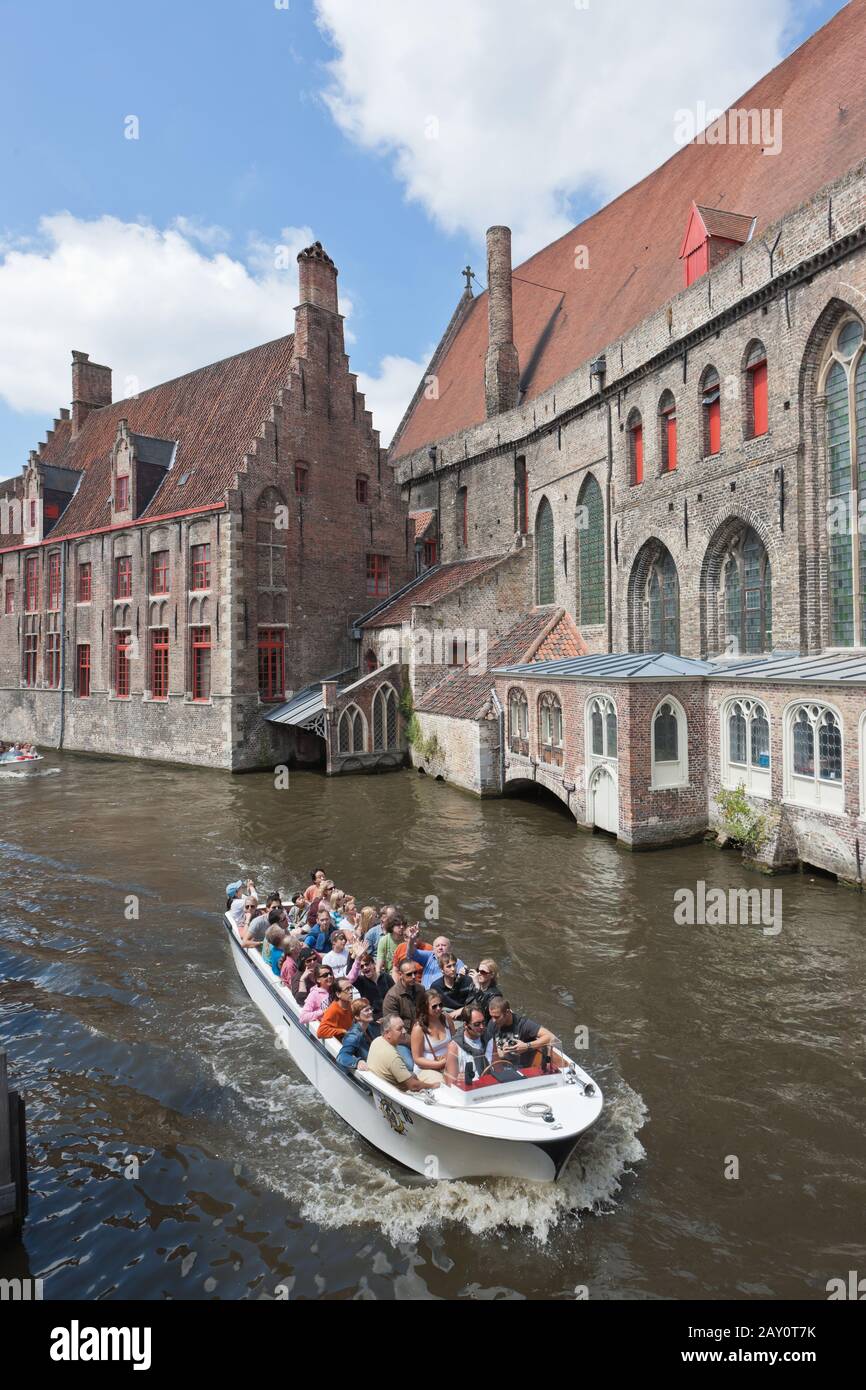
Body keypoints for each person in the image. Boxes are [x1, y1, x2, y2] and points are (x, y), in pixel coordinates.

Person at [366, 1015, 440, 1090]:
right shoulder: (393, 1058)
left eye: (403, 1027)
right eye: (399, 1029)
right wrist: (432, 1086)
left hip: (382, 1088)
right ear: (387, 1033)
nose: (404, 1031)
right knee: (436, 1078)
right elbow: (413, 1086)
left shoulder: (377, 1041)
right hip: (399, 1094)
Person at [486, 998, 554, 1064]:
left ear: (507, 1012)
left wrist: (526, 1046)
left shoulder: (523, 1024)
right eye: (491, 1016)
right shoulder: (492, 1024)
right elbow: (493, 1050)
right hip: (502, 1065)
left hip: (522, 1068)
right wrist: (502, 1053)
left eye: (497, 1017)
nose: (493, 1020)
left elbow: (550, 1037)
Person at [445, 1006, 494, 1084]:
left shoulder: (489, 1039)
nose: (482, 1027)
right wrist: (457, 1080)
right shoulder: (454, 1046)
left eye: (483, 1022)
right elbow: (450, 1082)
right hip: (468, 1090)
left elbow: (498, 1068)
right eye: (477, 1024)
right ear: (465, 1025)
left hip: (490, 1084)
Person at [411, 990, 454, 1075]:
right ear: (425, 1007)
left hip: (449, 1064)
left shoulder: (446, 1018)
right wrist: (439, 1064)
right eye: (434, 1006)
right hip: (428, 1070)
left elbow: (455, 1041)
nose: (438, 1008)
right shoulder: (418, 1028)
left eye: (440, 1005)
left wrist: (449, 1054)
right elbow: (417, 1058)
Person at [430, 952, 476, 1019]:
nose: (453, 969)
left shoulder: (467, 981)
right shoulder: (436, 987)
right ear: (441, 969)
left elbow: (476, 1002)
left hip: (467, 1014)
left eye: (454, 965)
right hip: (446, 1016)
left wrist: (460, 1011)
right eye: (449, 966)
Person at [336, 999, 377, 1072]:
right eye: (366, 1010)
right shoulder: (353, 1035)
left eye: (370, 1009)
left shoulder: (370, 1027)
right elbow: (341, 1056)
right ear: (357, 1016)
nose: (370, 1012)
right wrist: (357, 1062)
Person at [351, 953, 392, 1021]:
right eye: (361, 966)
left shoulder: (385, 976)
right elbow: (350, 977)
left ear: (373, 964)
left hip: (390, 1015)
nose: (365, 967)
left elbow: (395, 995)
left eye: (367, 964)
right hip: (373, 1019)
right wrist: (352, 956)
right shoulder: (361, 981)